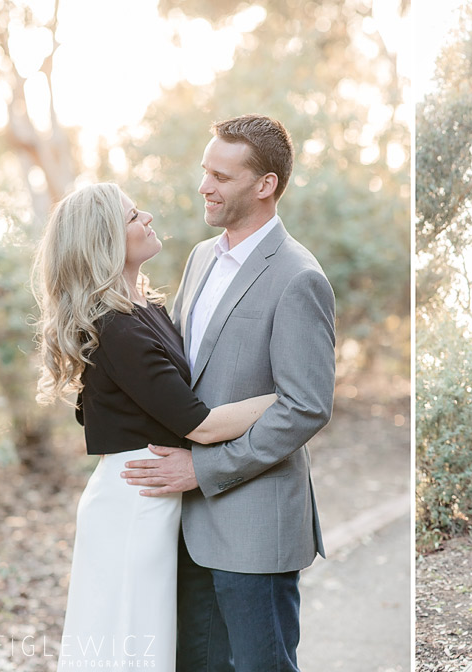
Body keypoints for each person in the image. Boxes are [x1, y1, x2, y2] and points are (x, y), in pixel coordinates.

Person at [119, 114, 336, 671]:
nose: (203, 187)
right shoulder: (198, 259)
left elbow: (306, 406)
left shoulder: (298, 277)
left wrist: (204, 469)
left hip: (254, 527)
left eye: (221, 175)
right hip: (185, 524)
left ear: (265, 185)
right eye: (204, 171)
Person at [33, 182, 280, 670]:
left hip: (155, 494)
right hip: (134, 502)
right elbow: (202, 425)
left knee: (146, 640)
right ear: (105, 241)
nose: (146, 217)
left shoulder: (147, 310)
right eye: (131, 217)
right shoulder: (117, 328)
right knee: (130, 640)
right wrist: (287, 397)